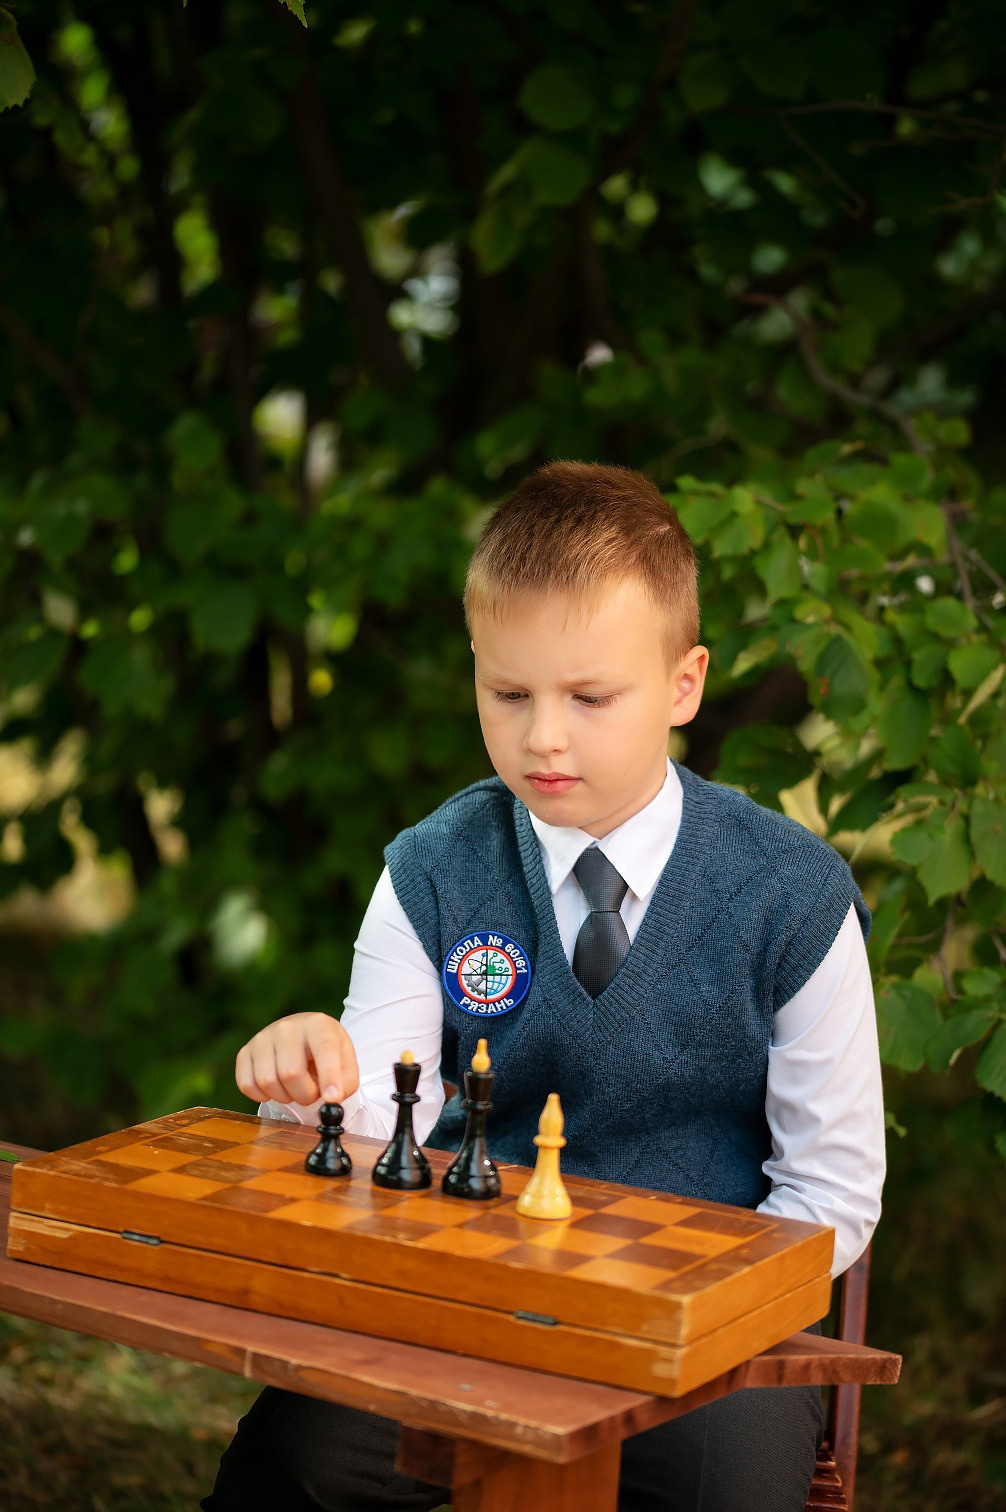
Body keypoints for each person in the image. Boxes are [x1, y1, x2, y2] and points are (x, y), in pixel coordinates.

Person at [202, 461, 885, 1512]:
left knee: (724, 1497)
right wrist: (308, 1087)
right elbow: (389, 1125)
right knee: (299, 1464)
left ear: (683, 684)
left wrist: (678, 1318)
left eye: (589, 697)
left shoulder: (791, 898)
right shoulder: (432, 869)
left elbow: (828, 1196)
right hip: (461, 1302)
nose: (542, 736)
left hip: (704, 1338)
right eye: (508, 694)